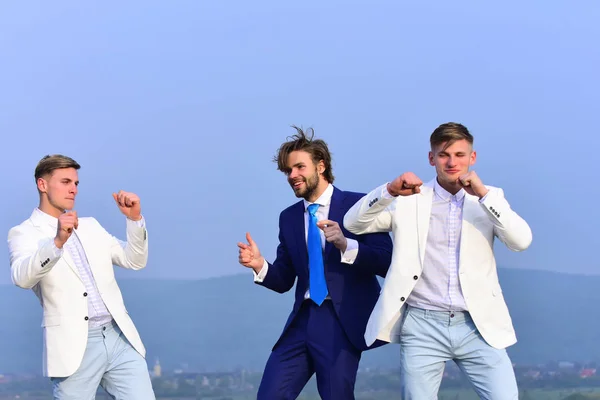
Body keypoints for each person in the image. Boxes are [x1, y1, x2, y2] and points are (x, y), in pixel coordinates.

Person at [343, 122, 532, 399]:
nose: (451, 162)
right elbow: (353, 223)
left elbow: (521, 241)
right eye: (444, 155)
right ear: (431, 158)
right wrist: (389, 191)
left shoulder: (489, 198)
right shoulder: (409, 200)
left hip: (477, 324)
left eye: (459, 154)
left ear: (472, 157)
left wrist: (484, 196)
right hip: (422, 325)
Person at [237, 126, 393, 399]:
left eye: (299, 167)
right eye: (288, 171)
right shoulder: (288, 218)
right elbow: (284, 280)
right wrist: (260, 265)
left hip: (341, 319)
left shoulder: (360, 205)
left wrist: (346, 244)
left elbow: (385, 261)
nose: (292, 176)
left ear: (321, 166)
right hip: (301, 319)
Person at [7, 154, 155, 400]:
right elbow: (22, 278)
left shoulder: (91, 226)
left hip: (120, 337)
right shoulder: (23, 233)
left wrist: (134, 219)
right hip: (74, 346)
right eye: (65, 182)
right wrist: (57, 242)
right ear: (42, 185)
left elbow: (134, 261)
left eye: (76, 183)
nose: (73, 189)